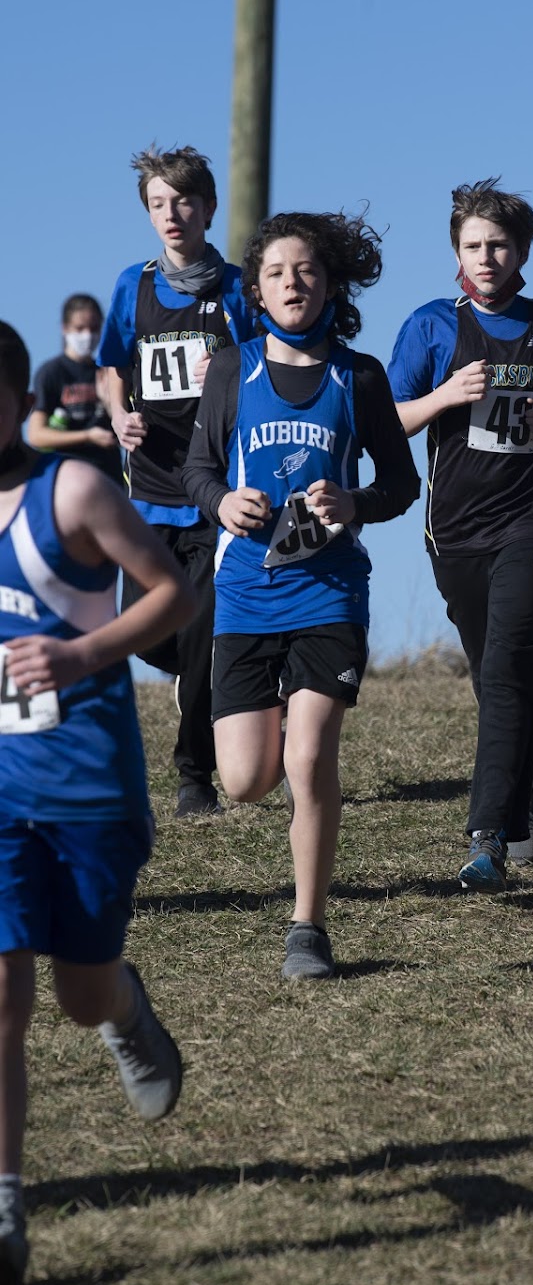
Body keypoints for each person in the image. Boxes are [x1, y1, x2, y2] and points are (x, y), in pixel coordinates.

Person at [0, 320, 196, 1285]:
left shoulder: (71, 491)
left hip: (86, 786)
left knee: (78, 997)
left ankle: (123, 1005)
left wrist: (79, 655)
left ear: (16, 403)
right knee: (2, 997)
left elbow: (174, 594)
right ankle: (5, 1208)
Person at [183, 210, 419, 979]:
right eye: (277, 273)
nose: (293, 283)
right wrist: (222, 502)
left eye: (307, 271)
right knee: (245, 780)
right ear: (256, 289)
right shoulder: (233, 370)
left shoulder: (360, 377)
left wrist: (353, 503)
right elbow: (197, 470)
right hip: (247, 593)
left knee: (310, 756)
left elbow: (401, 483)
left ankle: (307, 929)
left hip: (330, 592)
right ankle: (278, 716)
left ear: (330, 286)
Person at [387, 178, 533, 891]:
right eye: (473, 245)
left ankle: (488, 837)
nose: (486, 257)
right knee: (493, 674)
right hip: (454, 528)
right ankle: (532, 776)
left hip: (530, 514)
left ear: (523, 252)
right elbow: (389, 420)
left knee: (510, 659)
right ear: (456, 252)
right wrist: (445, 396)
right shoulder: (429, 327)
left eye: (499, 245)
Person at [96, 145, 254, 817]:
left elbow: (270, 364)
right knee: (149, 633)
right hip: (150, 492)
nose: (171, 214)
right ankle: (222, 681)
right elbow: (111, 366)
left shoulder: (239, 289)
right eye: (158, 204)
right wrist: (118, 414)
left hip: (214, 492)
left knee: (200, 636)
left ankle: (195, 777)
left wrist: (233, 368)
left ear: (208, 208)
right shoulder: (131, 287)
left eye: (184, 202)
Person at [26, 294, 121, 481]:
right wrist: (87, 436)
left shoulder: (107, 371)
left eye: (94, 328)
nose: (87, 335)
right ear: (65, 328)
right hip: (66, 476)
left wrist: (110, 404)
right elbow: (36, 435)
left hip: (108, 476)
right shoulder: (51, 373)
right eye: (80, 328)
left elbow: (126, 431)